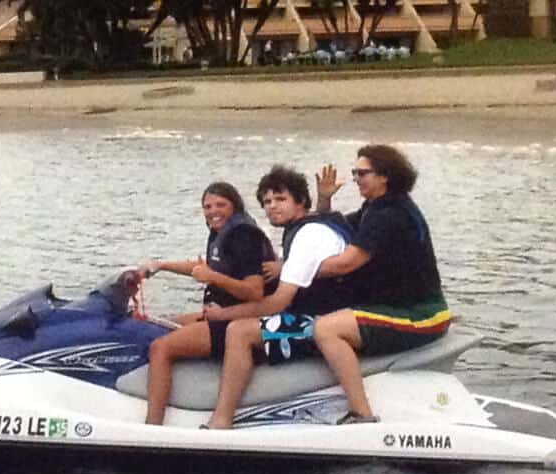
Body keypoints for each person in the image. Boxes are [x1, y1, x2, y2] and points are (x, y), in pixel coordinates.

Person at [203, 165, 354, 429]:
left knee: (239, 331)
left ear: (300, 201)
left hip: (319, 321)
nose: (272, 206)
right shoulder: (312, 225)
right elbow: (320, 217)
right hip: (328, 312)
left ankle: (222, 419)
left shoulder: (308, 235)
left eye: (280, 199)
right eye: (267, 202)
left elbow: (277, 303)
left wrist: (223, 314)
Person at [310, 145, 451, 424]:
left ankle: (361, 414)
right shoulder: (376, 208)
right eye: (354, 173)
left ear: (385, 176)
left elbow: (347, 263)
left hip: (420, 315)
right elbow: (333, 228)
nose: (356, 178)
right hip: (397, 307)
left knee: (326, 328)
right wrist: (324, 201)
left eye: (362, 173)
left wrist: (294, 272)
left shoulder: (390, 214)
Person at [138, 182, 274, 425]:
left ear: (235, 206)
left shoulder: (244, 236)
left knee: (160, 347)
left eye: (221, 205)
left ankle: (152, 426)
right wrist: (161, 265)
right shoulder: (222, 232)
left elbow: (254, 291)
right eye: (207, 207)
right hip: (218, 313)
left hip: (237, 320)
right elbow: (204, 268)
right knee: (162, 324)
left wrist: (212, 277)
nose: (213, 211)